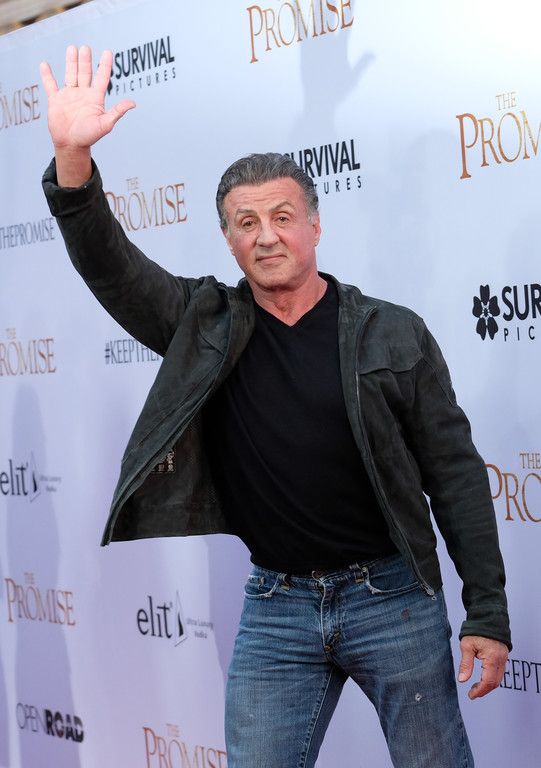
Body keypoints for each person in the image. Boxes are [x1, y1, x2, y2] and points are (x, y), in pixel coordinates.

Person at [41, 46, 510, 768]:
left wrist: (487, 610)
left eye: (282, 216)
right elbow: (111, 267)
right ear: (228, 240)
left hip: (392, 598)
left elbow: (454, 474)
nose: (266, 235)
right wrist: (74, 160)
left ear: (315, 226)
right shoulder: (203, 324)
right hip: (276, 608)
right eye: (246, 222)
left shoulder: (392, 332)